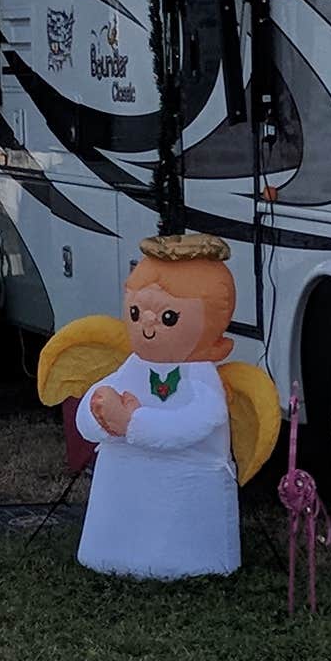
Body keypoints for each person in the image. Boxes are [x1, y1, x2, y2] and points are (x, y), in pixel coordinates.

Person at [71, 232, 246, 580]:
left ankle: (183, 562)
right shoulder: (134, 366)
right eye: (135, 313)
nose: (147, 323)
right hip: (128, 477)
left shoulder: (200, 377)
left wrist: (133, 423)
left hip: (186, 481)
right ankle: (111, 552)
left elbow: (198, 422)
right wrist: (98, 412)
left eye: (167, 318)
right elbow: (90, 411)